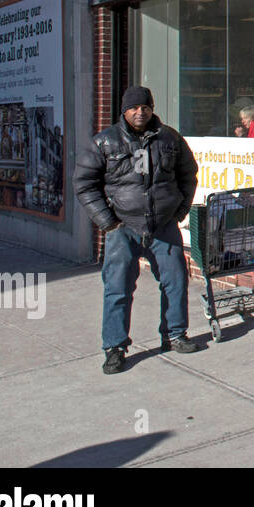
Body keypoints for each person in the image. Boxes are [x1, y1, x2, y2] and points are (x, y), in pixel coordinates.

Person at [73, 85, 200, 374]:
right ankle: (115, 347)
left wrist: (179, 211)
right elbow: (84, 183)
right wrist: (107, 220)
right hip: (122, 227)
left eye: (145, 107)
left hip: (164, 226)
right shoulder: (104, 142)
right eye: (134, 108)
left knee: (176, 281)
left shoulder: (169, 138)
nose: (140, 112)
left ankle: (175, 334)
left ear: (152, 108)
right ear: (124, 110)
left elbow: (188, 175)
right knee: (117, 288)